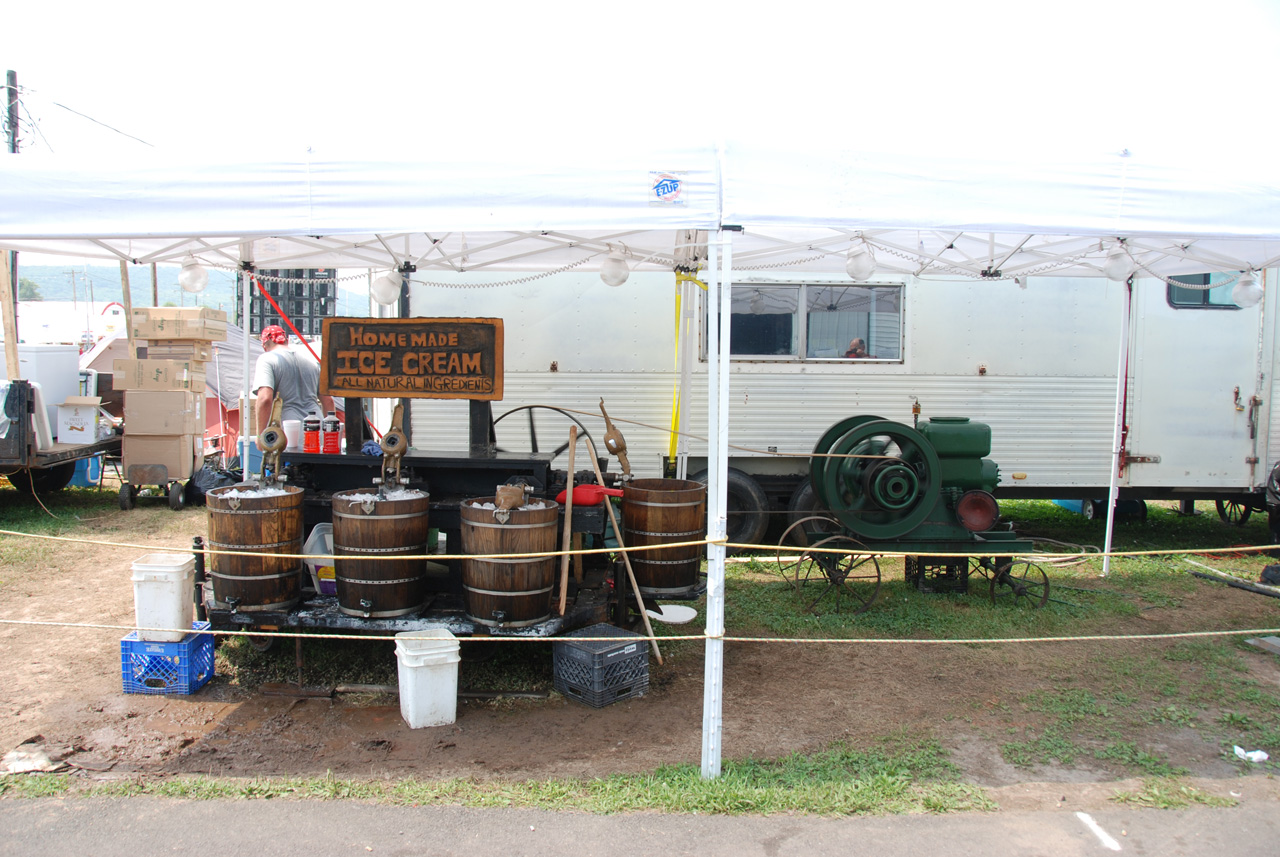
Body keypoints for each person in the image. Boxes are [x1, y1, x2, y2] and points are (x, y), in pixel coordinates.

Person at [253, 325, 334, 431]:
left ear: (264, 345)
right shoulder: (311, 361)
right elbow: (328, 401)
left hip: (287, 431)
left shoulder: (267, 359)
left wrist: (261, 435)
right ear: (286, 341)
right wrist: (329, 434)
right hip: (316, 429)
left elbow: (264, 399)